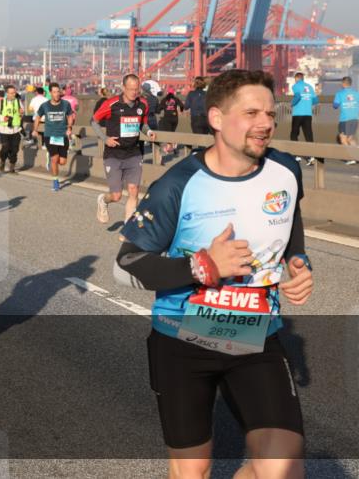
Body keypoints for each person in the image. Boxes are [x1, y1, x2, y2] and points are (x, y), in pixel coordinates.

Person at [114, 69, 314, 478]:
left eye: (270, 113)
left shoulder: (285, 169)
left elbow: (290, 216)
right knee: (193, 470)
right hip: (182, 341)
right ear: (217, 118)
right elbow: (125, 266)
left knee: (283, 467)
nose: (265, 124)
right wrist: (202, 266)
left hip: (256, 336)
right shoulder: (178, 185)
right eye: (251, 113)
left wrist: (297, 260)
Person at [91, 74, 154, 223]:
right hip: (114, 154)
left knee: (134, 191)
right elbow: (93, 121)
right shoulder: (111, 104)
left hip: (134, 153)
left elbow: (142, 124)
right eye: (131, 89)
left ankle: (128, 227)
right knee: (116, 196)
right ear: (123, 88)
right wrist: (105, 139)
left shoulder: (143, 104)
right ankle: (103, 201)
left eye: (136, 89)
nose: (134, 92)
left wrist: (149, 132)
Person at [36, 83, 74, 191]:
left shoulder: (66, 104)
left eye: (58, 91)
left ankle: (50, 159)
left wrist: (69, 127)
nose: (57, 94)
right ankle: (55, 181)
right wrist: (35, 129)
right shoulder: (45, 105)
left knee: (62, 162)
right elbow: (38, 117)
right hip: (50, 135)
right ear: (50, 93)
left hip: (62, 135)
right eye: (54, 92)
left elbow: (70, 115)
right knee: (55, 158)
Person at [332, 77, 359, 164]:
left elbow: (335, 106)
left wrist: (339, 104)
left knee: (343, 139)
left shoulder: (340, 93)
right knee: (350, 139)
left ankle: (351, 158)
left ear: (343, 84)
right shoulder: (356, 93)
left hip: (345, 119)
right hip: (355, 118)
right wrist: (355, 108)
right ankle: (358, 157)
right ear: (350, 83)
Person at [290, 72, 318, 165]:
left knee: (294, 134)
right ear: (303, 78)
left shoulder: (295, 86)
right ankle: (311, 157)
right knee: (308, 135)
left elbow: (297, 96)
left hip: (298, 114)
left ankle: (296, 156)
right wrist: (307, 103)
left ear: (296, 78)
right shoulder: (310, 87)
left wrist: (292, 103)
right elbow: (315, 100)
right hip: (308, 114)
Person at [0, 84, 24, 173]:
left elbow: (21, 113)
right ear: (7, 93)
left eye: (14, 93)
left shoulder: (18, 102)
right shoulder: (1, 103)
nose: (13, 95)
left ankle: (12, 167)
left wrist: (21, 113)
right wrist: (3, 118)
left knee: (15, 150)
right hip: (4, 130)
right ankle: (2, 160)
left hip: (16, 130)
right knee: (5, 148)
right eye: (11, 93)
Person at [158, 86, 185, 155]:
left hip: (167, 118)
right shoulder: (176, 99)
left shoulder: (164, 99)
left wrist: (161, 110)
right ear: (173, 93)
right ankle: (172, 146)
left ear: (167, 93)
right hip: (175, 118)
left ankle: (170, 148)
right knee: (172, 132)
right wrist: (181, 110)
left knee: (169, 134)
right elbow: (182, 105)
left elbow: (159, 108)